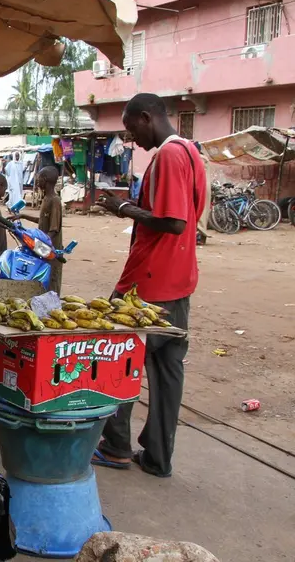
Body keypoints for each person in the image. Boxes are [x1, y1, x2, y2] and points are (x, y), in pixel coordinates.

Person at [92, 93, 206, 478]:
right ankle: (158, 457)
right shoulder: (191, 152)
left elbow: (173, 221)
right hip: (179, 279)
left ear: (146, 118)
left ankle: (116, 445)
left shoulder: (170, 156)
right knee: (168, 369)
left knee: (115, 358)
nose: (131, 140)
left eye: (130, 130)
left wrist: (123, 208)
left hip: (148, 283)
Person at [16, 166, 64, 294]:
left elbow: (53, 230)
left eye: (38, 179)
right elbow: (42, 221)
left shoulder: (54, 200)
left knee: (51, 281)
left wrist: (40, 244)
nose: (37, 182)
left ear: (45, 179)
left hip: (49, 249)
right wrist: (22, 216)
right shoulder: (46, 199)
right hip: (43, 248)